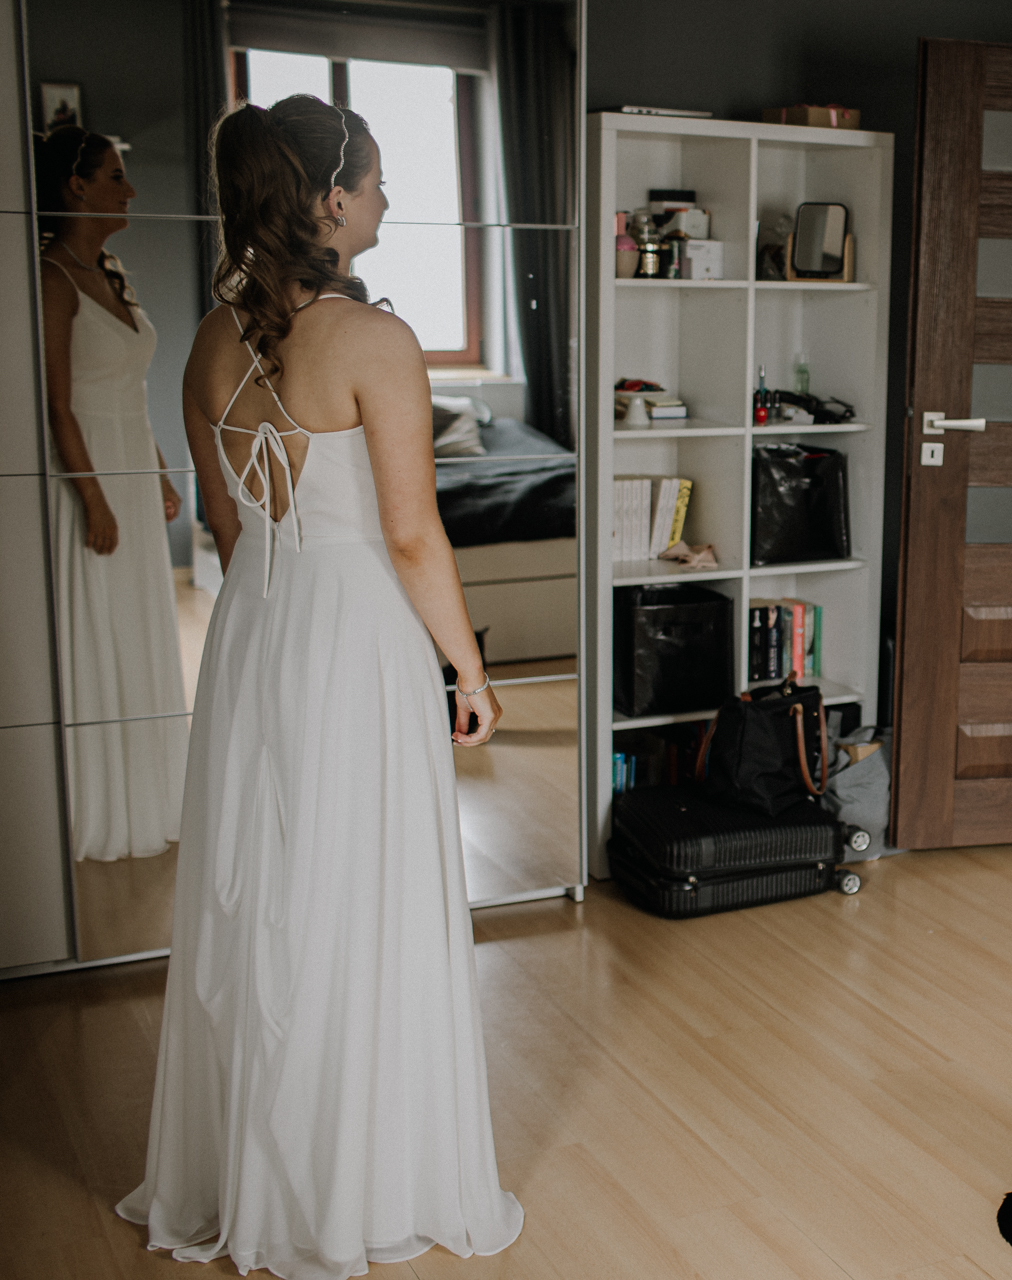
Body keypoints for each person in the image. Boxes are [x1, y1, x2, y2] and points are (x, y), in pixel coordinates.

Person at [117, 95, 523, 1276]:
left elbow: (225, 523)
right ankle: (360, 1178)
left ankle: (260, 1168)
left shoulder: (211, 338)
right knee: (359, 887)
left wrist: (277, 599)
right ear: (333, 200)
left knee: (265, 894)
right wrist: (468, 666)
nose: (389, 198)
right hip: (354, 633)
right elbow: (410, 534)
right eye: (380, 181)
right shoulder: (374, 341)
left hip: (259, 625)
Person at [35, 127, 190, 861]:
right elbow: (57, 405)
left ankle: (150, 791)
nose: (129, 189)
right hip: (87, 474)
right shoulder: (51, 278)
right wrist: (93, 499)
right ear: (76, 186)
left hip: (129, 463)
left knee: (139, 622)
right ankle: (100, 804)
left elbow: (129, 388)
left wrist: (156, 469)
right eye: (115, 176)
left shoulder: (111, 269)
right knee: (99, 625)